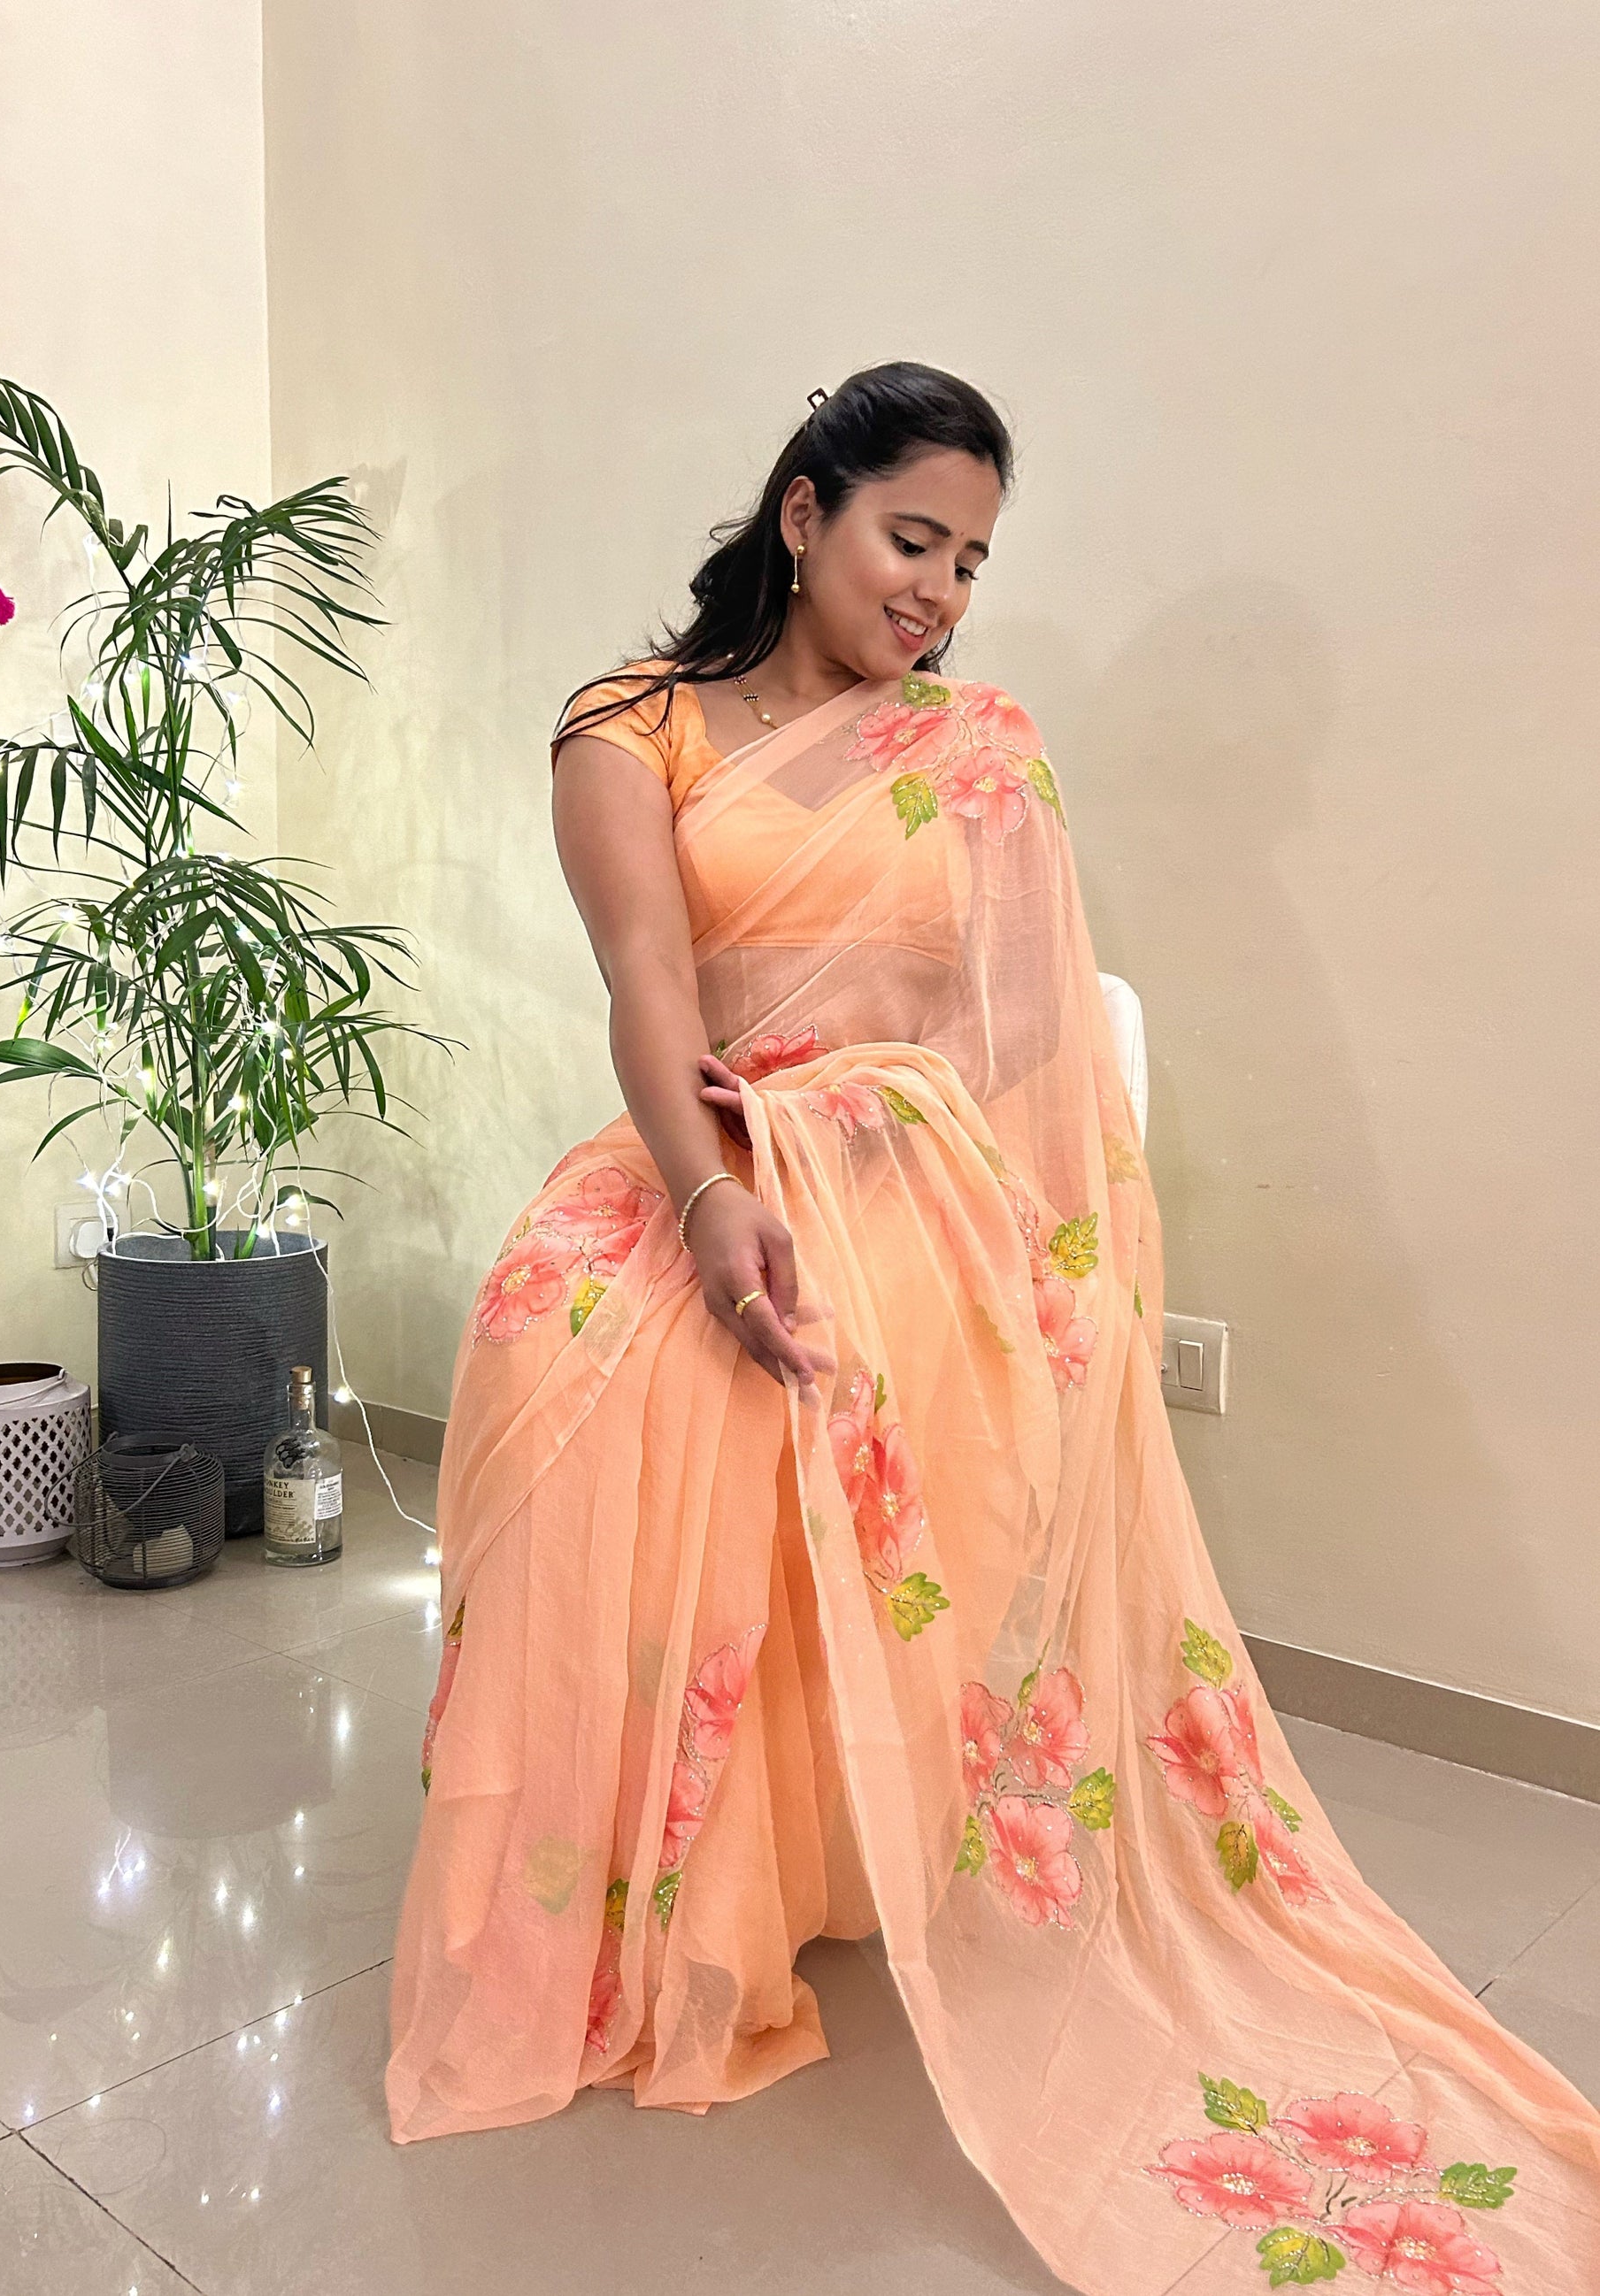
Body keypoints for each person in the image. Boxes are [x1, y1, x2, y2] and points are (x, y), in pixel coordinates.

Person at [388, 363, 1600, 2293]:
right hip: (701, 1147)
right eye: (911, 538)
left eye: (969, 560)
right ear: (804, 513)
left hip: (899, 1170)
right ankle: (637, 1883)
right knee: (566, 1335)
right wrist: (711, 1196)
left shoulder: (975, 748)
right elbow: (645, 984)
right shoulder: (631, 726)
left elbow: (1026, 1035)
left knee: (821, 1371)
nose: (939, 591)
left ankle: (818, 1848)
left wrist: (914, 1164)